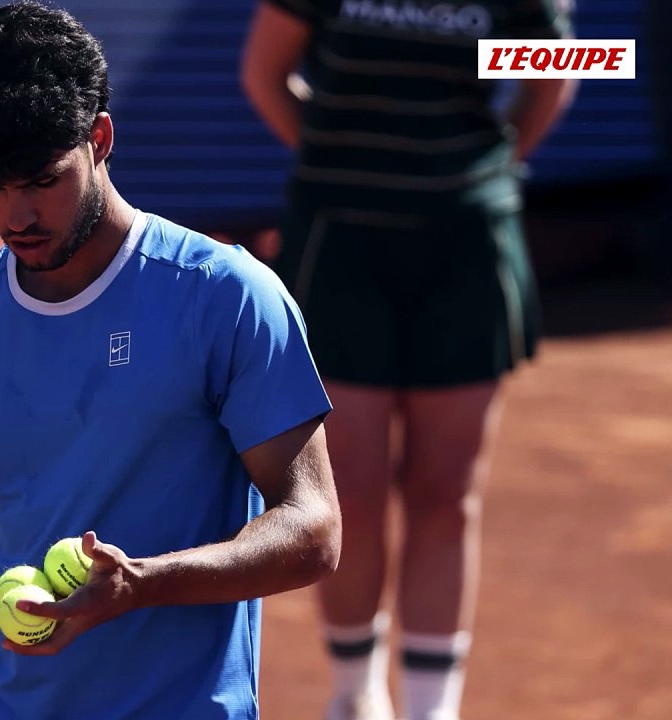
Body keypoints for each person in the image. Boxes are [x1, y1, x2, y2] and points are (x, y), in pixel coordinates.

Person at [0, 3, 343, 719]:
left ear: (99, 138)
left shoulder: (225, 297)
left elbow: (311, 528)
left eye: (41, 179)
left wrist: (144, 583)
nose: (16, 214)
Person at [241, 2, 578, 719]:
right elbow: (264, 73)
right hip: (341, 248)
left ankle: (432, 707)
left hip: (467, 247)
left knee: (446, 496)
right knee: (353, 494)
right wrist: (336, 158)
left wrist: (489, 164)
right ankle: (356, 696)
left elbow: (556, 68)